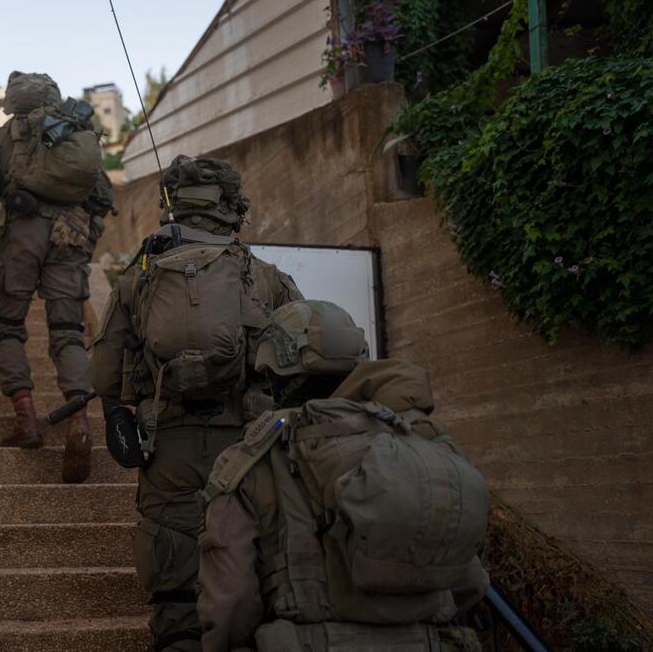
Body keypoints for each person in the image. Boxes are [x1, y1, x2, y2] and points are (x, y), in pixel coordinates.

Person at [89, 155, 303, 651]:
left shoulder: (138, 280)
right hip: (252, 447)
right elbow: (300, 366)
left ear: (171, 207)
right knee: (255, 569)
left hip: (170, 448)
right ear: (232, 209)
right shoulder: (267, 279)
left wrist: (124, 418)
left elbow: (103, 376)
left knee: (177, 587)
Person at [197, 299, 490, 651]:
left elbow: (231, 602)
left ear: (275, 370)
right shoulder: (410, 445)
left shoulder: (251, 459)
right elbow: (469, 583)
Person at [0, 71, 114, 483]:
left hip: (19, 239)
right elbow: (102, 194)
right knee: (67, 331)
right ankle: (79, 421)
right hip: (69, 236)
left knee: (8, 327)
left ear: (13, 102)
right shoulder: (74, 133)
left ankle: (28, 420)